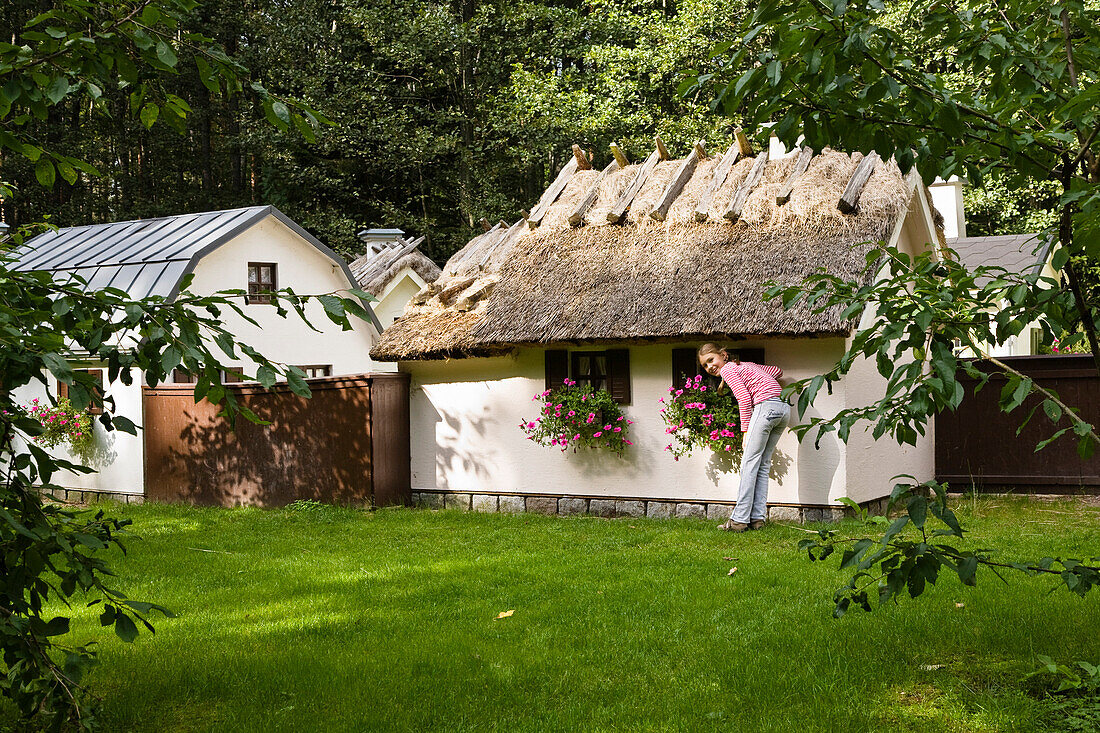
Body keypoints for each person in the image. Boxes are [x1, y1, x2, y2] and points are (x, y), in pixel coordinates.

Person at [698, 343, 790, 532]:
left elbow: (744, 399)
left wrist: (745, 431)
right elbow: (777, 371)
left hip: (765, 407)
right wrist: (756, 373)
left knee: (749, 464)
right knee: (763, 465)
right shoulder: (745, 365)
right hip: (783, 409)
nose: (710, 367)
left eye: (711, 360)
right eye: (705, 366)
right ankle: (757, 519)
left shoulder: (728, 370)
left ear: (723, 355)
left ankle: (739, 520)